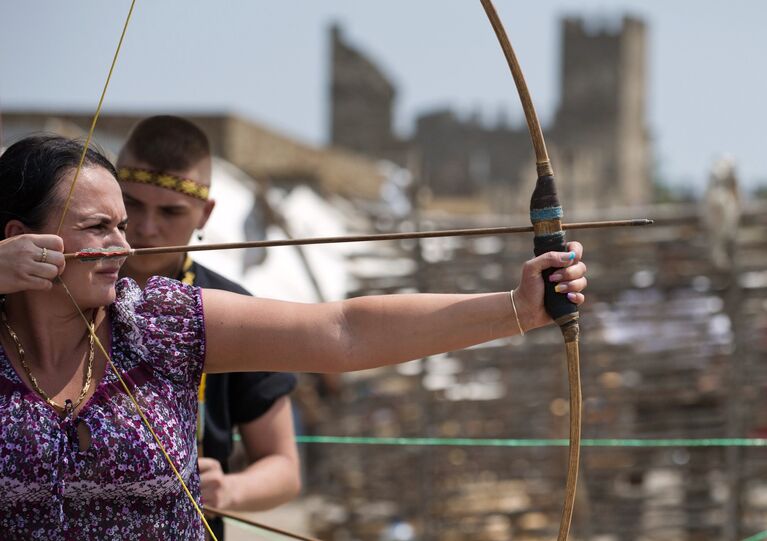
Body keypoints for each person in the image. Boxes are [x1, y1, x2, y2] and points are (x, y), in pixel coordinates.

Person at [0, 135, 587, 540]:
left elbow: (342, 332)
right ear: (20, 239)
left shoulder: (154, 319)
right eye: (98, 228)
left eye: (121, 225)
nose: (126, 246)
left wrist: (516, 308)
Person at [116, 116, 300, 540]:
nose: (146, 228)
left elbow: (284, 467)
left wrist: (228, 490)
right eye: (133, 204)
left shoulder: (229, 309)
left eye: (170, 211)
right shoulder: (59, 289)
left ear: (205, 213)